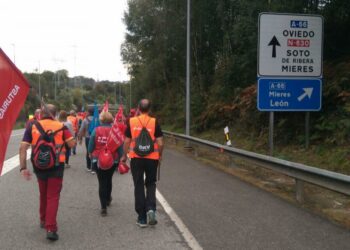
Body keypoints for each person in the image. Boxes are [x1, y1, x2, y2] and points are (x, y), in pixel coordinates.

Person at [19, 104, 76, 241]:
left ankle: (43, 219)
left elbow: (22, 148)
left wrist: (23, 168)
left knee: (43, 194)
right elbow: (72, 145)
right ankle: (51, 228)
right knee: (53, 196)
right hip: (56, 166)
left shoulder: (32, 126)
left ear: (41, 113)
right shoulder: (60, 126)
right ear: (54, 114)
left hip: (39, 166)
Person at [121, 99, 164, 228]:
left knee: (138, 185)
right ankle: (151, 208)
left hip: (136, 158)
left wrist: (124, 155)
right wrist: (159, 156)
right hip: (152, 159)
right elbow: (161, 143)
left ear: (138, 108)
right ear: (150, 109)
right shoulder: (154, 122)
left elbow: (127, 142)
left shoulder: (132, 121)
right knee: (151, 183)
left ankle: (141, 218)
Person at [88, 111, 123, 216]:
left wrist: (91, 154)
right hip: (113, 159)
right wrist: (121, 158)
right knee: (109, 179)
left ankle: (103, 207)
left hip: (98, 159)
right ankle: (108, 198)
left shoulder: (96, 130)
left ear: (101, 119)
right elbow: (120, 146)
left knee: (101, 182)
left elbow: (90, 146)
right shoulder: (115, 131)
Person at [78, 107, 94, 172]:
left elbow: (81, 130)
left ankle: (89, 167)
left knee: (88, 151)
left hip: (88, 138)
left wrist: (80, 138)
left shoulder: (85, 120)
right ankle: (94, 167)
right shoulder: (97, 119)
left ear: (89, 112)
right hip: (96, 137)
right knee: (95, 151)